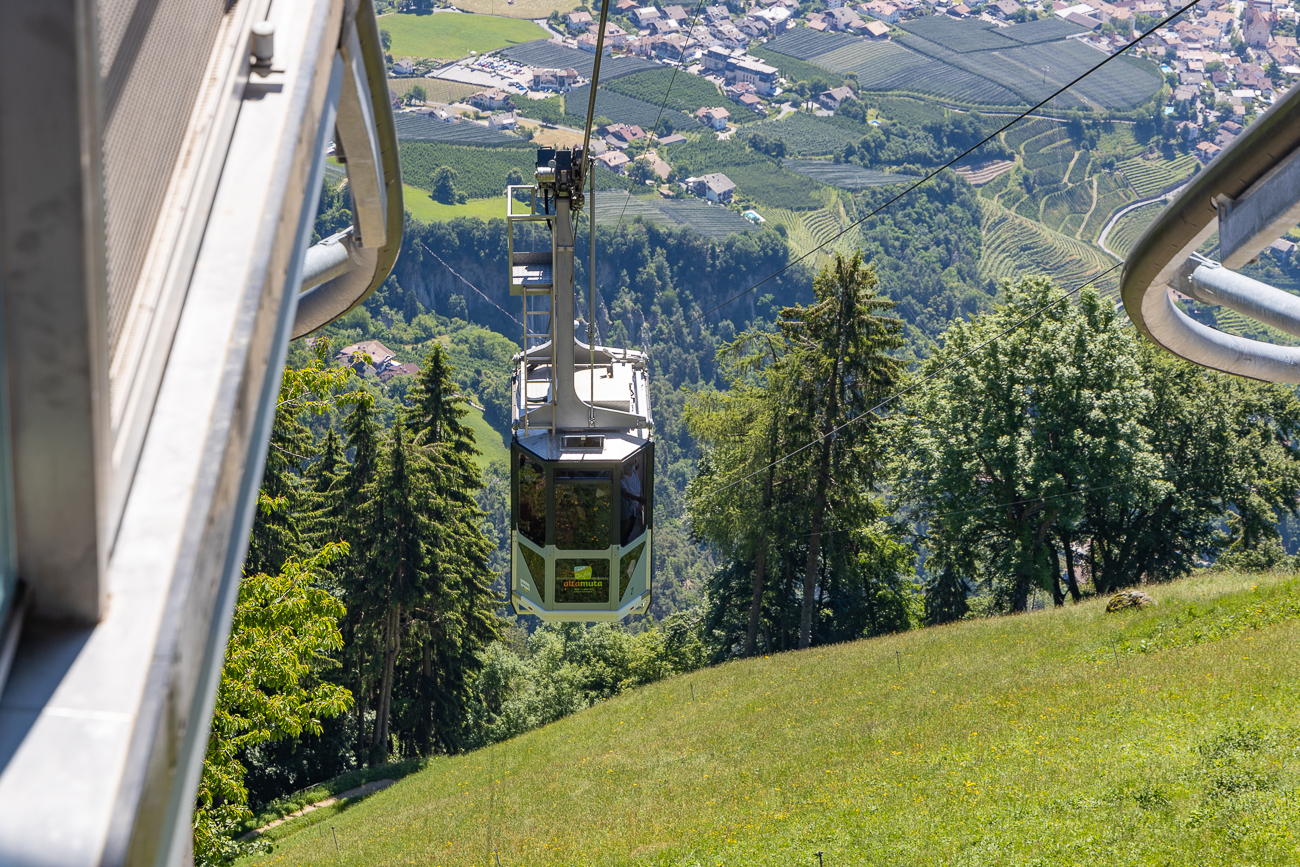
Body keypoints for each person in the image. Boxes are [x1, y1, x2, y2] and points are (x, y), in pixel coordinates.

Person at [620, 462, 645, 544]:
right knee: (627, 524)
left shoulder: (634, 472)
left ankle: (625, 540)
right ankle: (621, 541)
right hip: (627, 505)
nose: (630, 466)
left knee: (630, 528)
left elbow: (639, 487)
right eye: (628, 464)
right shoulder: (622, 479)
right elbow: (625, 494)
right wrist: (638, 499)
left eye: (631, 464)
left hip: (636, 507)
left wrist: (640, 504)